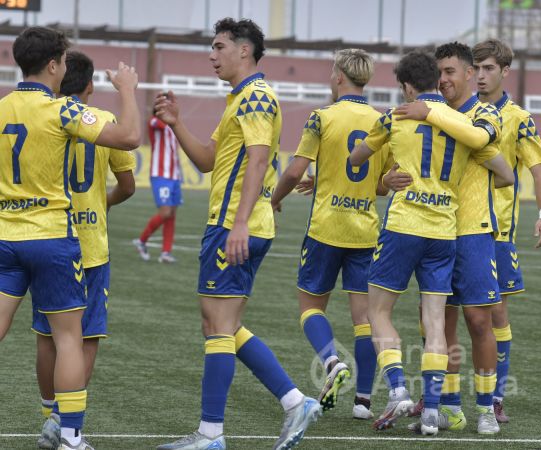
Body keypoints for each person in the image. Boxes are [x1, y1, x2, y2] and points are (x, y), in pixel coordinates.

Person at [153, 18, 320, 450]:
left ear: (244, 51)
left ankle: (211, 434)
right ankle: (295, 401)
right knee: (221, 323)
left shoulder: (257, 98)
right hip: (230, 222)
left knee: (219, 326)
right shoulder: (240, 99)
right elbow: (209, 160)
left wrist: (241, 221)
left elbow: (261, 160)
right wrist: (176, 123)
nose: (212, 54)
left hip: (235, 224)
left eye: (219, 46)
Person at [349, 50, 513, 435]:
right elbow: (504, 172)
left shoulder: (409, 116)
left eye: (452, 71)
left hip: (428, 227)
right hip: (444, 230)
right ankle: (435, 411)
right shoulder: (457, 122)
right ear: (434, 78)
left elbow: (357, 158)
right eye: (440, 73)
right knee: (438, 323)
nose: (445, 79)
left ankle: (406, 390)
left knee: (385, 311)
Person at [0, 27, 140, 450]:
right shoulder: (61, 109)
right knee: (68, 338)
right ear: (53, 65)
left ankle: (57, 424)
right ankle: (71, 437)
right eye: (62, 61)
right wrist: (128, 91)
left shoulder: (3, 108)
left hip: (6, 235)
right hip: (51, 238)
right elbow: (129, 137)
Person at [271, 48, 400, 420]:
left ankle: (331, 362)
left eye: (332, 72)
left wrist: (274, 201)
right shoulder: (383, 120)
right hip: (364, 232)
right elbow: (381, 184)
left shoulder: (322, 117)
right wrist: (328, 178)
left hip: (326, 228)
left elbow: (294, 172)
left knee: (310, 307)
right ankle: (363, 401)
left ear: (340, 76)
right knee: (365, 318)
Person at [473, 38, 541, 423]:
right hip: (455, 227)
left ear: (505, 71)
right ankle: (441, 397)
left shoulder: (519, 118)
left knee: (495, 314)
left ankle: (496, 396)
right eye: (478, 69)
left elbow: (538, 171)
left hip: (498, 232)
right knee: (440, 313)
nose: (481, 76)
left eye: (489, 69)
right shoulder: (461, 110)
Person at [132, 107, 183, 263]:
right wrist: (163, 113)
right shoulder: (155, 122)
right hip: (161, 175)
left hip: (174, 176)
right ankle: (141, 241)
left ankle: (166, 252)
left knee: (171, 215)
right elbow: (155, 122)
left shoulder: (173, 128)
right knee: (165, 212)